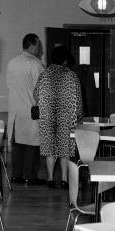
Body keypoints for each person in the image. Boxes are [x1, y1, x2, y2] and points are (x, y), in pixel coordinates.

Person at [34, 45, 83, 188]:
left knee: (49, 149)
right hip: (66, 117)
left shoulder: (44, 74)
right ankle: (64, 180)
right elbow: (78, 99)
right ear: (65, 60)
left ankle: (49, 179)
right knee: (65, 149)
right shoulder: (71, 76)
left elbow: (35, 95)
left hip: (47, 116)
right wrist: (78, 114)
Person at [6, 33, 44, 184]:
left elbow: (9, 86)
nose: (40, 48)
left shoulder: (12, 62)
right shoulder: (36, 65)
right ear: (33, 45)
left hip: (15, 110)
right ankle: (30, 176)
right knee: (32, 144)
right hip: (31, 109)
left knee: (18, 144)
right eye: (38, 45)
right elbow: (42, 89)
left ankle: (16, 175)